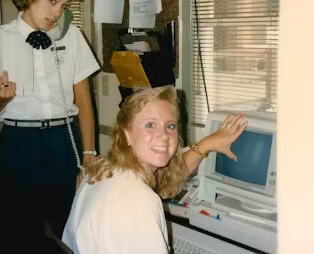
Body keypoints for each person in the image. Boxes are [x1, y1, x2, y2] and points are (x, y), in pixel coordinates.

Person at [0, 0, 100, 239]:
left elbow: (84, 102)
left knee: (71, 223)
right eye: (52, 1)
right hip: (19, 143)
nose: (58, 12)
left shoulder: (73, 37)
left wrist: (89, 153)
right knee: (17, 227)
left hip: (64, 142)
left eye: (64, 5)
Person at [61, 85, 248, 254]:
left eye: (170, 126)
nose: (164, 136)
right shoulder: (140, 200)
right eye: (150, 125)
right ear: (127, 133)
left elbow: (170, 175)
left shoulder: (102, 169)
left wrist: (207, 144)